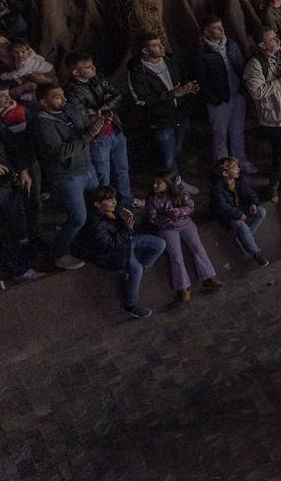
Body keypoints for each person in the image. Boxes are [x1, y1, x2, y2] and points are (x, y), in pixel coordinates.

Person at [31, 84, 102, 270]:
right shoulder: (42, 124)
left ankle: (86, 241)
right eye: (57, 97)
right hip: (68, 176)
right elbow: (60, 152)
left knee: (95, 206)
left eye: (63, 95)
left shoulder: (68, 111)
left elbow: (84, 130)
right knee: (78, 217)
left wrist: (95, 125)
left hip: (87, 168)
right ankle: (59, 253)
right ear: (43, 102)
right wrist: (88, 136)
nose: (64, 99)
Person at [77, 186, 167, 319]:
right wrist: (127, 229)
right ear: (97, 204)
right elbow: (111, 245)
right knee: (136, 269)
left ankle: (138, 275)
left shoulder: (114, 210)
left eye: (113, 198)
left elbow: (132, 225)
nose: (114, 202)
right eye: (109, 200)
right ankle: (130, 305)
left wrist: (131, 219)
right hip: (115, 252)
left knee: (160, 243)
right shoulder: (95, 224)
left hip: (128, 240)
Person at [63, 51, 133, 207]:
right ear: (76, 72)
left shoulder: (98, 78)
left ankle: (126, 203)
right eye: (88, 67)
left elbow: (118, 96)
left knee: (122, 170)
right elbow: (81, 117)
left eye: (92, 64)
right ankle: (103, 208)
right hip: (98, 137)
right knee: (103, 175)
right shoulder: (72, 92)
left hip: (115, 128)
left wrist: (97, 109)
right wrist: (104, 104)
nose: (93, 68)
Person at [126, 32, 197, 173]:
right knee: (168, 157)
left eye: (160, 43)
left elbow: (180, 79)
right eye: (155, 45)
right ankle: (174, 187)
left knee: (178, 149)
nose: (161, 46)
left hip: (179, 114)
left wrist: (187, 87)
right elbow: (141, 99)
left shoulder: (169, 59)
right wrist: (172, 94)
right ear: (145, 50)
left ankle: (180, 182)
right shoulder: (137, 71)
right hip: (161, 120)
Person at [147, 172, 222, 302]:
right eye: (154, 182)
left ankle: (208, 276)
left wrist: (179, 212)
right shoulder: (152, 199)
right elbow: (152, 217)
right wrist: (167, 219)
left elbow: (190, 206)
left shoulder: (180, 191)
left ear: (167, 183)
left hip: (185, 223)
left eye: (159, 182)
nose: (154, 185)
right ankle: (183, 287)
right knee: (176, 256)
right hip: (167, 228)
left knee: (197, 248)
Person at [195, 18, 256, 172]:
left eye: (221, 26)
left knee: (237, 132)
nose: (221, 30)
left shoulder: (231, 45)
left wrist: (243, 88)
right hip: (219, 100)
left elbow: (241, 66)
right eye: (216, 28)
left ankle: (241, 162)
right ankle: (223, 167)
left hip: (237, 95)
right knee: (220, 135)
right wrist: (212, 99)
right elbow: (202, 80)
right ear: (207, 32)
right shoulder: (203, 53)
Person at [243, 28, 281, 161]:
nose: (277, 40)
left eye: (275, 37)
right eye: (271, 39)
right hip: (277, 113)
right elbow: (257, 92)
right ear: (262, 45)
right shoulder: (255, 64)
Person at [208, 157, 270, 267]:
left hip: (241, 208)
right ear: (225, 173)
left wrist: (253, 203)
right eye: (235, 167)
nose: (238, 169)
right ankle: (255, 253)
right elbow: (222, 206)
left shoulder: (240, 180)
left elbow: (250, 193)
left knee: (261, 211)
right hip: (227, 215)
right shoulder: (217, 188)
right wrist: (238, 214)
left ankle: (245, 239)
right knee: (241, 226)